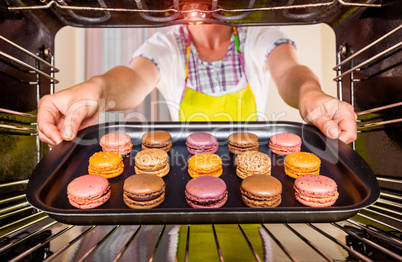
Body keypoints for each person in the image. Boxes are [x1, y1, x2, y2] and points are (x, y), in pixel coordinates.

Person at [38, 24, 357, 147]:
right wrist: (97, 90)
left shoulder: (258, 36)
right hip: (185, 160)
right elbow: (133, 79)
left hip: (253, 156)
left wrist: (311, 95)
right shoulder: (168, 44)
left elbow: (290, 73)